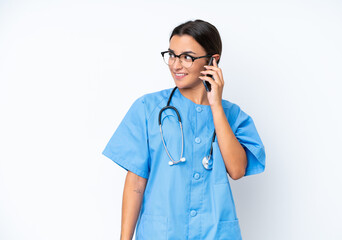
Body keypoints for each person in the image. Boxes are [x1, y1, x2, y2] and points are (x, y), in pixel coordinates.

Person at [102, 19, 266, 240]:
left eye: (187, 57)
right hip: (161, 233)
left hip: (215, 232)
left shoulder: (232, 115)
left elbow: (237, 170)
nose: (176, 65)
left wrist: (216, 105)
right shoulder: (147, 108)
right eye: (172, 55)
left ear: (212, 60)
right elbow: (136, 183)